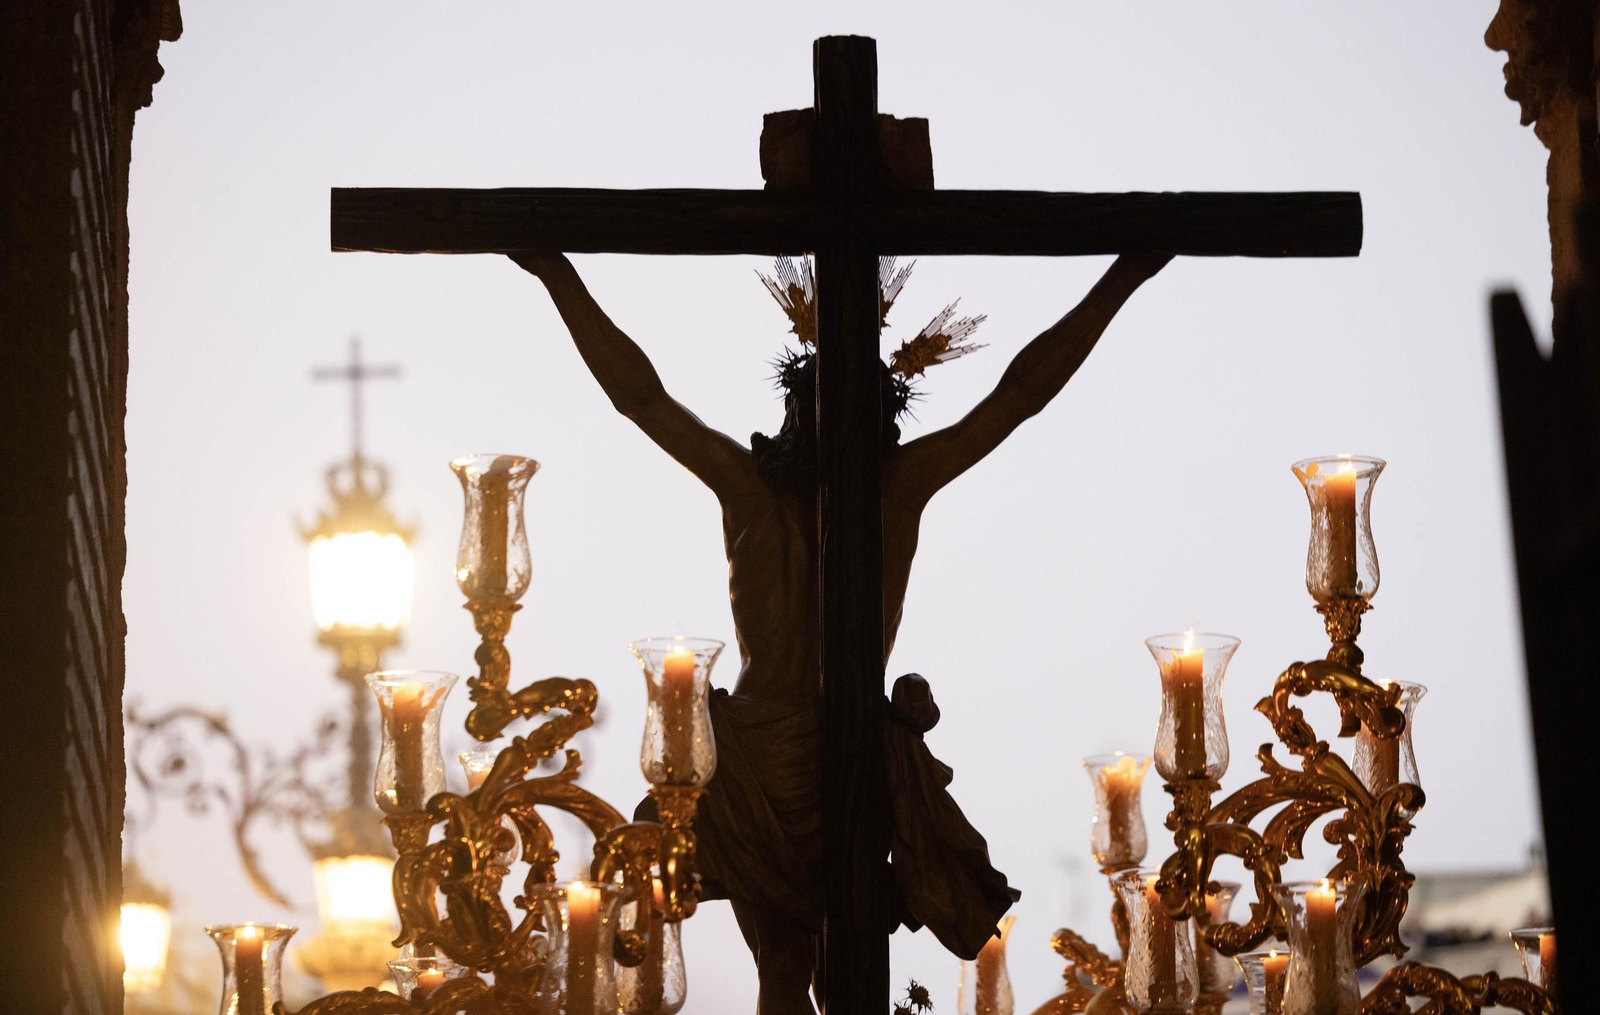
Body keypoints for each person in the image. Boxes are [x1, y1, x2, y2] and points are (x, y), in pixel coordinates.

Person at [509, 251, 1171, 1014]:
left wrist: (558, 275)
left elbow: (643, 398)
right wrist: (1123, 278)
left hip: (791, 752)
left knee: (805, 971)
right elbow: (1017, 397)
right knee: (815, 972)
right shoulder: (880, 486)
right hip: (798, 753)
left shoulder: (766, 487)